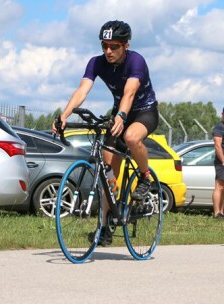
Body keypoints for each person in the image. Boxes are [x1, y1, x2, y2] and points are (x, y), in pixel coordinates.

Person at [52, 20, 159, 246]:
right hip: (119, 113)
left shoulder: (136, 61)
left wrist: (121, 116)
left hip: (143, 112)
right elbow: (82, 90)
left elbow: (129, 93)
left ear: (125, 46)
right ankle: (105, 227)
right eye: (104, 46)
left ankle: (144, 177)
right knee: (107, 174)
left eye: (114, 46)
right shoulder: (96, 63)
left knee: (130, 137)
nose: (108, 51)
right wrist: (64, 115)